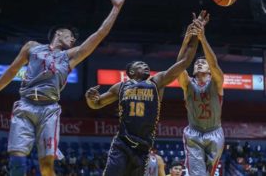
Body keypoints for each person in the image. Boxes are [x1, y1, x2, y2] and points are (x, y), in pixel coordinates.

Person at [0, 0, 131, 176]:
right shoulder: (32, 47)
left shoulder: (70, 57)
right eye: (70, 35)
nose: (74, 39)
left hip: (49, 109)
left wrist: (115, 9)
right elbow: (11, 71)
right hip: (25, 105)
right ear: (59, 33)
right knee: (16, 160)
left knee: (46, 166)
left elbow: (99, 34)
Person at [85, 16, 200, 176]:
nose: (145, 65)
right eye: (140, 65)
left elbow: (185, 62)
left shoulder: (157, 81)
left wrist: (195, 37)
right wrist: (90, 97)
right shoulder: (121, 87)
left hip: (143, 147)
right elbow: (96, 104)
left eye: (146, 64)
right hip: (122, 143)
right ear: (131, 72)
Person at [177, 11, 225, 176]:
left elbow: (214, 63)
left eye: (203, 62)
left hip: (214, 132)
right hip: (194, 132)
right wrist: (186, 41)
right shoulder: (187, 84)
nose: (198, 63)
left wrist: (202, 38)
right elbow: (179, 66)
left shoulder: (217, 82)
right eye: (196, 62)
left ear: (210, 72)